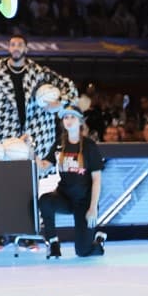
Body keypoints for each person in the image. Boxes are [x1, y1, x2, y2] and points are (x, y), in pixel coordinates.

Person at [0, 34, 77, 161]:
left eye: (20, 45)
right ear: (8, 48)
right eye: (13, 45)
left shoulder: (39, 73)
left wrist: (60, 103)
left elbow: (70, 88)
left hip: (37, 132)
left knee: (35, 175)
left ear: (26, 49)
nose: (16, 48)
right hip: (5, 134)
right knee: (7, 176)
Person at [39, 105, 106, 259]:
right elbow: (43, 167)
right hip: (65, 198)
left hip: (84, 202)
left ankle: (99, 240)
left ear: (80, 121)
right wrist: (30, 150)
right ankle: (53, 243)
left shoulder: (89, 146)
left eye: (72, 117)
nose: (68, 120)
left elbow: (97, 179)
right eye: (65, 117)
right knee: (45, 201)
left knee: (83, 251)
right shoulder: (59, 144)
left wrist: (93, 208)